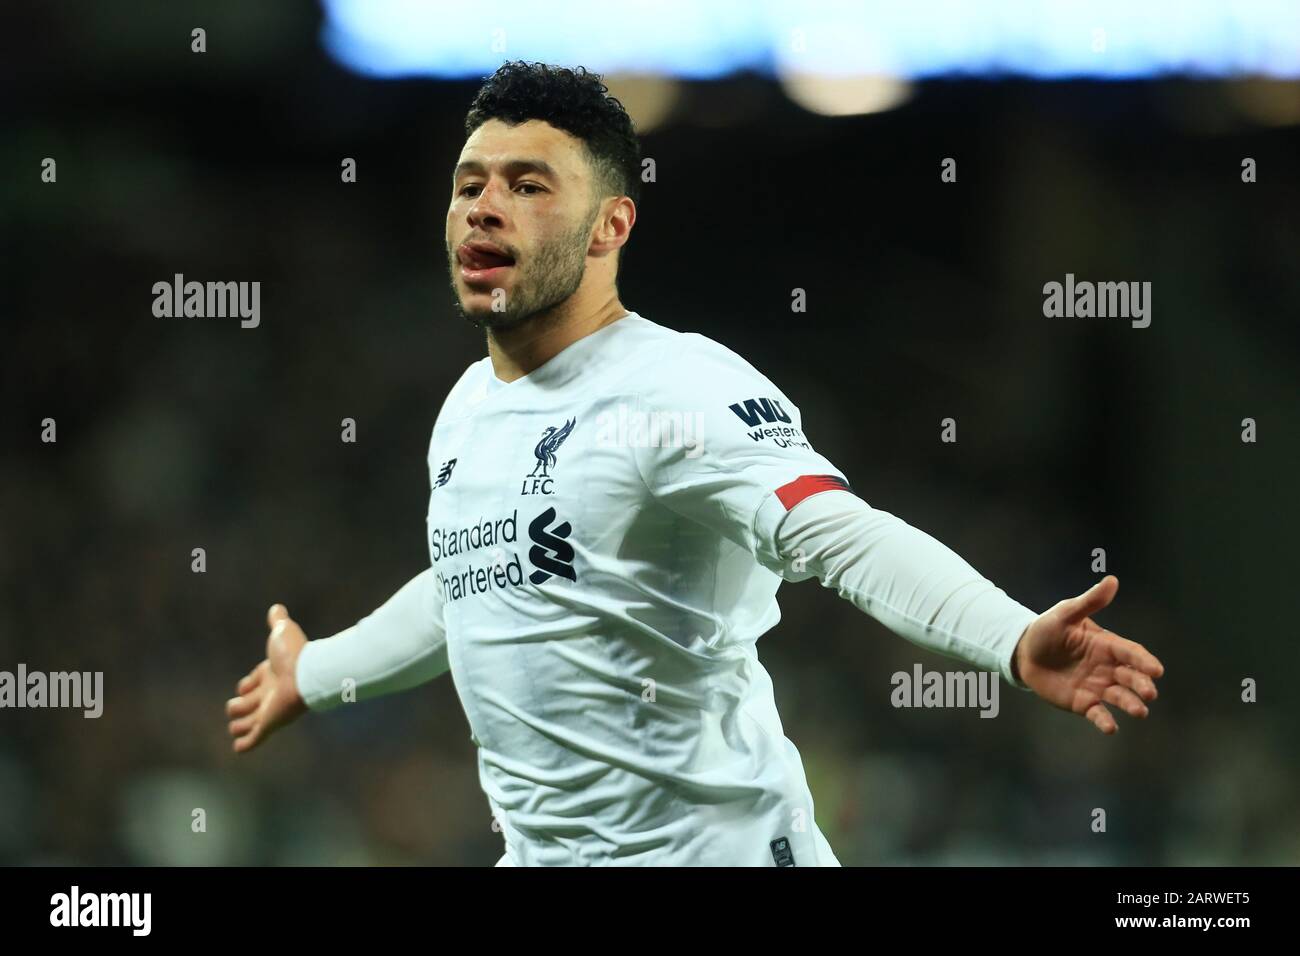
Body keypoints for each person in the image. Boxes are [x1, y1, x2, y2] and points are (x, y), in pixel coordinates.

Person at [226, 61, 1164, 866]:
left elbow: (839, 534)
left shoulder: (678, 388)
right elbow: (472, 587)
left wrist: (1006, 636)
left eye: (528, 184)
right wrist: (313, 673)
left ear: (610, 227)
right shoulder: (468, 410)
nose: (484, 208)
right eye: (470, 184)